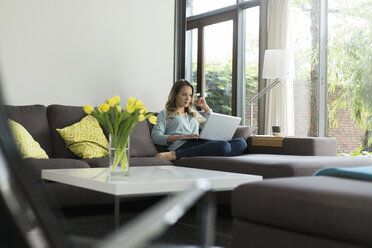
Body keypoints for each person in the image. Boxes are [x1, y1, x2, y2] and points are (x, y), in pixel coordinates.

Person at [151, 79, 247, 161]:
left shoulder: (194, 114)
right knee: (224, 146)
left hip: (198, 143)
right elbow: (156, 136)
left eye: (190, 95)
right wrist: (182, 136)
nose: (188, 98)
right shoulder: (165, 113)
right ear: (175, 95)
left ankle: (195, 154)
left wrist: (206, 108)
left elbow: (212, 126)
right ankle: (175, 155)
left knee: (241, 143)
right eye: (184, 94)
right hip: (181, 145)